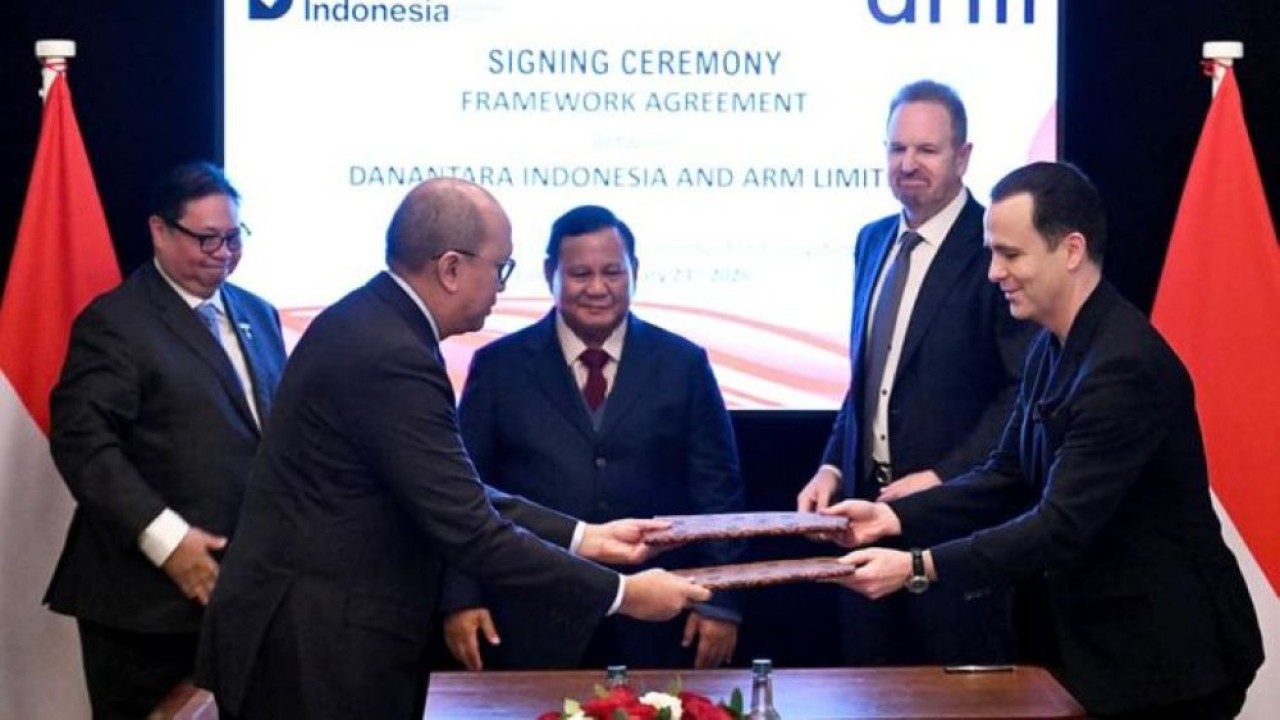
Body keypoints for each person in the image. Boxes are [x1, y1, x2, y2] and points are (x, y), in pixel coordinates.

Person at [195, 178, 711, 720]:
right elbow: (468, 526)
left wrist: (586, 537)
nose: (501, 288)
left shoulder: (376, 323)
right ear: (450, 268)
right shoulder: (390, 353)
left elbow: (452, 488)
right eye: (500, 268)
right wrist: (623, 594)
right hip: (313, 649)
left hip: (323, 637)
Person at [824, 161, 1264, 718]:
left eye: (1010, 254)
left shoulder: (1124, 366)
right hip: (1099, 656)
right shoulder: (1051, 345)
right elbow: (1006, 474)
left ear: (1072, 250)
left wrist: (918, 566)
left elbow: (1058, 528)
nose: (994, 273)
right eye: (991, 253)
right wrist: (894, 517)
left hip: (1168, 665)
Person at [440, 205, 745, 671]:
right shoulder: (498, 367)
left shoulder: (683, 364)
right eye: (580, 274)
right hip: (531, 615)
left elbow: (717, 491)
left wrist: (720, 602)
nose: (598, 288)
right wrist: (461, 598)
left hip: (658, 619)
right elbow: (464, 493)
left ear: (634, 271)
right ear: (551, 274)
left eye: (612, 272)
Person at [796, 80, 1035, 665]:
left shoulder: (995, 247)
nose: (908, 164)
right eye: (897, 148)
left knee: (956, 698)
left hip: (957, 532)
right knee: (870, 693)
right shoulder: (872, 240)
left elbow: (1022, 389)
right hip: (863, 525)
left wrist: (946, 475)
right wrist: (832, 464)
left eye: (926, 150)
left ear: (963, 156)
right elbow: (870, 379)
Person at [44, 161, 287, 718]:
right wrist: (168, 540)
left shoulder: (259, 314)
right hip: (144, 609)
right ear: (159, 230)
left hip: (243, 600)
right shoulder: (116, 322)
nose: (223, 253)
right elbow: (82, 442)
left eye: (234, 238)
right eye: (207, 239)